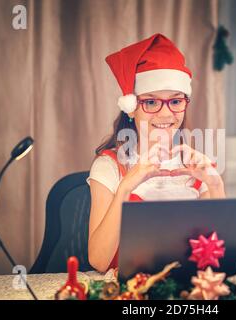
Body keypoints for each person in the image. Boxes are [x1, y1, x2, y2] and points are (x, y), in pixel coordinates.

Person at [87, 33, 225, 273]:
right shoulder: (109, 166)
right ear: (131, 109)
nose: (165, 114)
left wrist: (215, 184)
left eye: (175, 101)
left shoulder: (196, 166)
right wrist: (126, 187)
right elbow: (98, 261)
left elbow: (222, 255)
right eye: (151, 102)